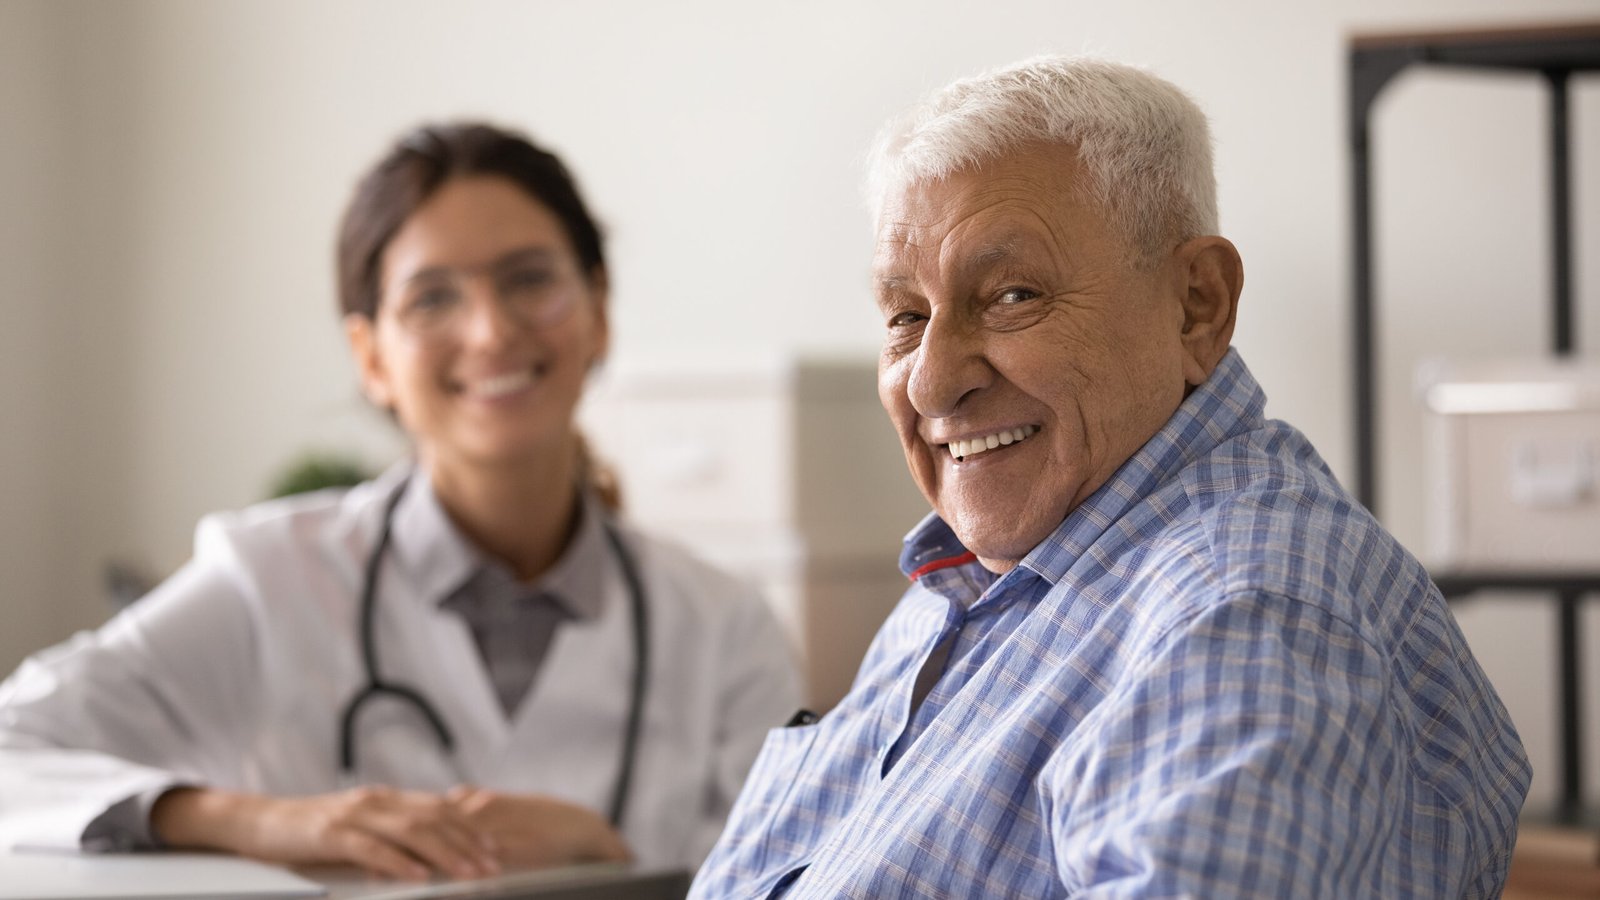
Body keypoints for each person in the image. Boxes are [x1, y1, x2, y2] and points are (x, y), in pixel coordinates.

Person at [692, 57, 1530, 898]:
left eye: (1013, 295)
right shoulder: (981, 575)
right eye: (906, 316)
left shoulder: (1244, 615)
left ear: (1197, 304)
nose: (931, 382)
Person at [0, 122, 800, 879]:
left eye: (530, 280)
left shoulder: (727, 631)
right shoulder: (268, 581)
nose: (490, 332)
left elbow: (796, 876)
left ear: (598, 312)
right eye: (432, 298)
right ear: (370, 356)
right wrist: (254, 820)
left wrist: (610, 856)